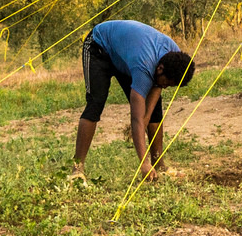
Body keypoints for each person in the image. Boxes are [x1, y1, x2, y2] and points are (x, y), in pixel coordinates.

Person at [71, 19, 196, 182]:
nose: (165, 87)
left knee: (156, 111)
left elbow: (153, 99)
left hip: (125, 54)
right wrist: (143, 163)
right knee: (95, 104)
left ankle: (159, 165)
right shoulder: (144, 66)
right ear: (160, 69)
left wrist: (147, 117)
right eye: (166, 83)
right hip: (99, 47)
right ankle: (76, 169)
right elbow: (136, 118)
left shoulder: (175, 58)